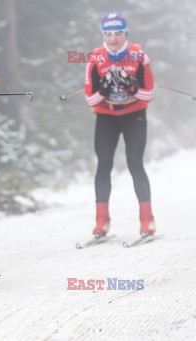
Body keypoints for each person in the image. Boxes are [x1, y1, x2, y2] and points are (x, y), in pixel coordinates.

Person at [84, 13, 156, 237]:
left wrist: (132, 87)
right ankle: (102, 222)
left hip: (134, 115)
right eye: (108, 34)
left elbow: (149, 93)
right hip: (107, 116)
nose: (113, 38)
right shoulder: (95, 58)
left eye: (118, 33)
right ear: (102, 34)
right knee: (104, 164)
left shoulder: (139, 56)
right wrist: (104, 89)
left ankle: (147, 220)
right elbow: (91, 99)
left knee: (135, 163)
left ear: (125, 33)